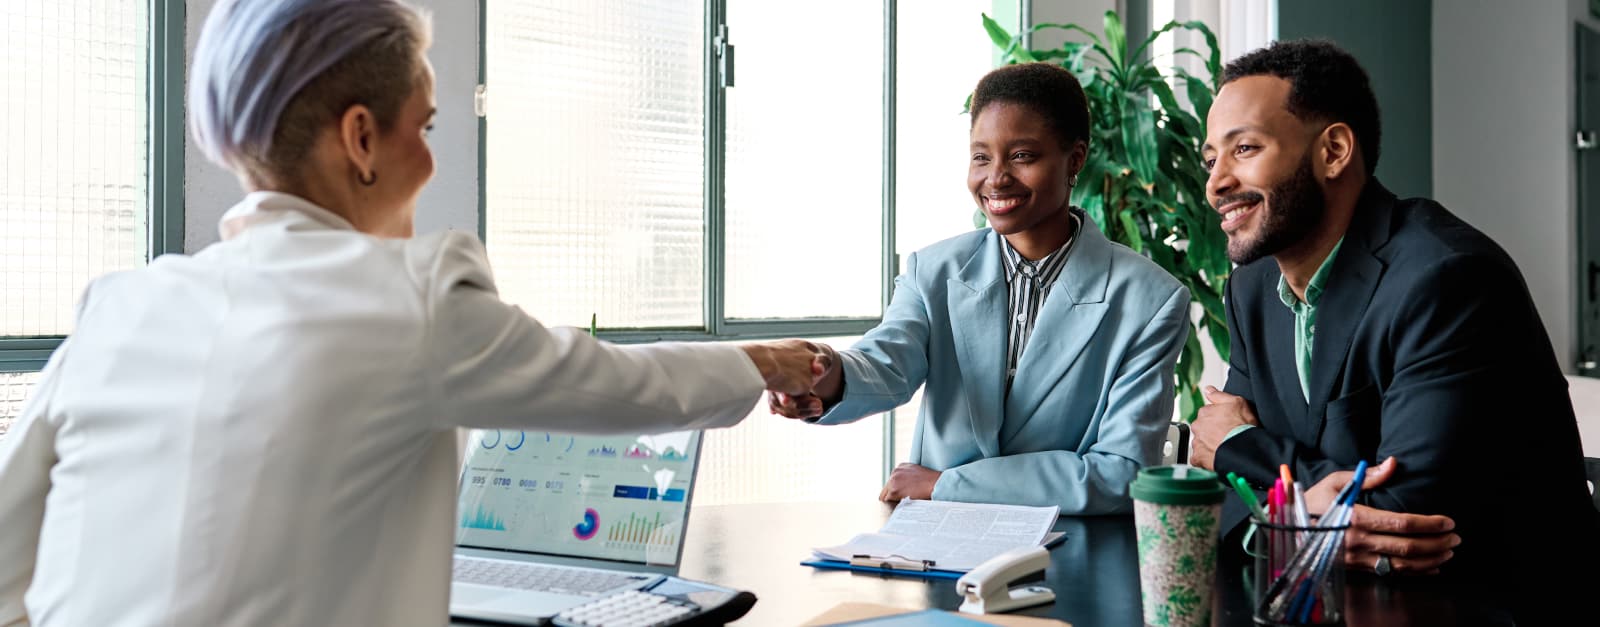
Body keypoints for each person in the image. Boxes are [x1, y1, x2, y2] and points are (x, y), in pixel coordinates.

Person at [0, 1, 827, 625]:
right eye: (425, 126)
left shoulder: (118, 309)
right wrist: (770, 361)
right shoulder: (409, 300)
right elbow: (618, 386)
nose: (430, 160)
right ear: (360, 138)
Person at [1191, 39, 1599, 621]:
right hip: (1334, 605)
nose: (1216, 184)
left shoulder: (1448, 278)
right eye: (1212, 160)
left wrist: (1241, 451)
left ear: (1332, 151)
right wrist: (1299, 508)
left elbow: (1406, 516)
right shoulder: (1251, 289)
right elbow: (1223, 501)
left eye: (1245, 149)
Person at [770, 63, 1191, 514]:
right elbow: (885, 363)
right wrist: (822, 371)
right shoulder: (931, 270)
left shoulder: (1151, 300)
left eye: (1022, 156)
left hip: (1069, 554)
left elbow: (1120, 473)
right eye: (981, 157)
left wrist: (947, 484)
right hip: (937, 552)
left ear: (1075, 159)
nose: (995, 178)